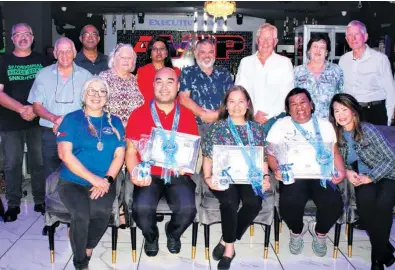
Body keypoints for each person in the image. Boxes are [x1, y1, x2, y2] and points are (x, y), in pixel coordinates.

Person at [125, 67, 198, 257]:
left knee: (188, 209)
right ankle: (151, 237)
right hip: (149, 173)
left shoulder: (188, 116)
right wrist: (134, 174)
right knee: (141, 208)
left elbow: (192, 152)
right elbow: (131, 152)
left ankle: (173, 232)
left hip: (177, 173)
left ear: (178, 86)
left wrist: (187, 165)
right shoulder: (138, 114)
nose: (164, 87)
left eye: (170, 81)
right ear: (153, 85)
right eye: (159, 81)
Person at [266, 88, 345, 257]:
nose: (299, 107)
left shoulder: (325, 125)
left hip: (320, 175)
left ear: (311, 105)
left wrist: (341, 171)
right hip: (293, 175)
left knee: (334, 203)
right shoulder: (280, 125)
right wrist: (276, 169)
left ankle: (320, 232)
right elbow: (270, 153)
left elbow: (334, 151)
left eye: (302, 102)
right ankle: (297, 231)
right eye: (293, 104)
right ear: (288, 109)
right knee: (289, 201)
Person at [57, 76, 125, 270]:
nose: (96, 95)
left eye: (102, 91)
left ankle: (88, 246)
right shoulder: (71, 119)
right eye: (92, 91)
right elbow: (64, 154)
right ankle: (80, 262)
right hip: (73, 181)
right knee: (81, 214)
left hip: (104, 180)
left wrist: (107, 179)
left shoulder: (115, 122)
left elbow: (119, 155)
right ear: (84, 94)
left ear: (107, 97)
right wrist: (94, 179)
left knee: (102, 213)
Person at [202, 85, 271, 270]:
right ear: (226, 105)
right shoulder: (218, 127)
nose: (236, 106)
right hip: (224, 177)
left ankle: (226, 238)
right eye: (231, 101)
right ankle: (229, 250)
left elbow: (262, 157)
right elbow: (208, 156)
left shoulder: (256, 129)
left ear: (248, 104)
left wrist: (265, 177)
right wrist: (208, 178)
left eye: (241, 101)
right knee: (230, 202)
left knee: (254, 203)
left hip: (249, 177)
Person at [329, 93, 395, 270]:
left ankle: (376, 261)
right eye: (336, 111)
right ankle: (384, 247)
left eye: (345, 109)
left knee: (383, 204)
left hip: (388, 174)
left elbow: (391, 159)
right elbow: (337, 161)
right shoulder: (337, 135)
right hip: (362, 177)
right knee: (365, 208)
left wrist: (371, 177)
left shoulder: (368, 130)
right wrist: (348, 171)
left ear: (354, 111)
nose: (341, 114)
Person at [0, 23, 51, 222]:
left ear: (33, 37)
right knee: (12, 164)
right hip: (10, 121)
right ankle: (13, 204)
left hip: (38, 121)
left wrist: (34, 109)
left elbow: (50, 90)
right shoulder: (3, 61)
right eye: (17, 34)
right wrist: (21, 108)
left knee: (39, 162)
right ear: (11, 39)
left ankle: (40, 200)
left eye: (26, 33)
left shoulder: (44, 61)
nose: (22, 37)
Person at [28, 37, 92, 180]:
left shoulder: (86, 76)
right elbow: (36, 106)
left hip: (77, 133)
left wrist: (70, 123)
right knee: (51, 176)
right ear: (55, 54)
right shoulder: (43, 74)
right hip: (50, 133)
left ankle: (73, 202)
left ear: (74, 53)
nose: (64, 55)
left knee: (76, 174)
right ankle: (51, 202)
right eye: (60, 52)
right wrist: (54, 119)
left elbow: (92, 106)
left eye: (68, 51)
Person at [235, 23, 294, 133]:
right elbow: (240, 92)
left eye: (269, 39)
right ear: (257, 40)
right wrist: (253, 113)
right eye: (262, 38)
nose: (265, 43)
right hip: (250, 118)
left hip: (277, 119)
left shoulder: (285, 63)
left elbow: (286, 94)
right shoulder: (246, 62)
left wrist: (267, 115)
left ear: (275, 42)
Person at [339, 20, 395, 126]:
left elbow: (390, 91)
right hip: (351, 113)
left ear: (365, 37)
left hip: (374, 113)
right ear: (346, 39)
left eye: (357, 34)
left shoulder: (380, 59)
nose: (353, 38)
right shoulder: (343, 60)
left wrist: (388, 119)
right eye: (350, 35)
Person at [179, 38, 233, 137]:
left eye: (210, 52)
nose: (207, 56)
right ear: (195, 53)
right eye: (203, 52)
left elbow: (232, 99)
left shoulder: (224, 73)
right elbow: (183, 98)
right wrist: (203, 114)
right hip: (194, 127)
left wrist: (217, 114)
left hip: (220, 126)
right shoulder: (188, 72)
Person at [294, 34, 344, 119]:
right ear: (309, 50)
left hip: (330, 121)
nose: (318, 50)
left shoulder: (336, 70)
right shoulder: (297, 72)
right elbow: (293, 98)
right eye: (315, 46)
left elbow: (342, 97)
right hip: (304, 120)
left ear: (326, 52)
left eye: (322, 47)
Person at [99, 43, 144, 127]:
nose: (126, 60)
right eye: (123, 57)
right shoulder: (103, 79)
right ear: (113, 59)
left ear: (133, 62)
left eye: (129, 58)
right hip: (110, 129)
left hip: (134, 131)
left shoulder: (137, 80)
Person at [137, 36, 181, 102]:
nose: (158, 52)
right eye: (154, 49)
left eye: (162, 49)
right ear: (150, 54)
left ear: (166, 53)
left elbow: (180, 97)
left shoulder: (175, 71)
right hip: (148, 109)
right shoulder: (142, 71)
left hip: (171, 109)